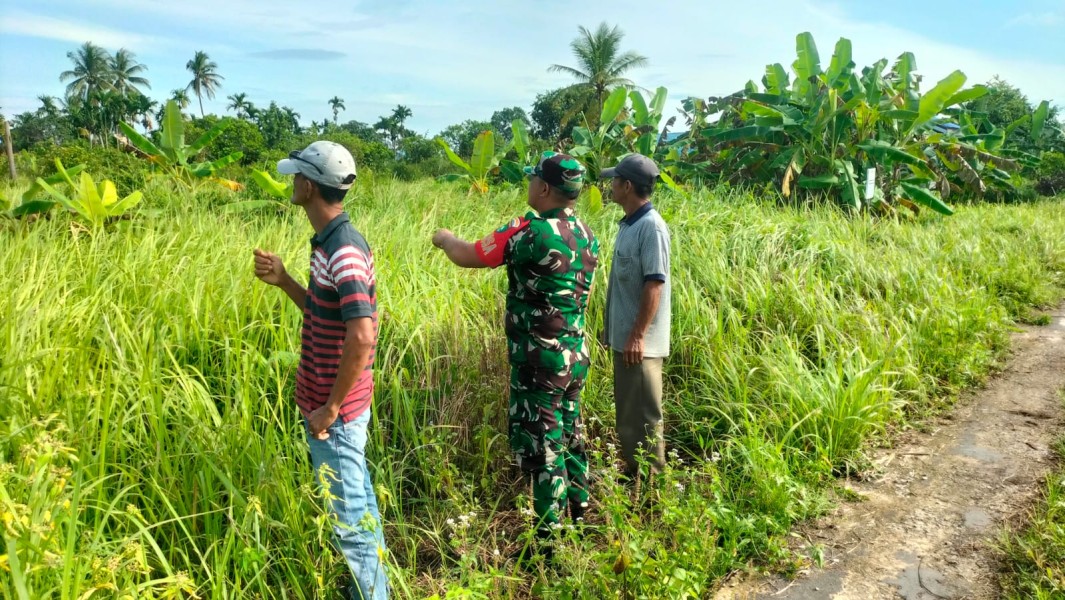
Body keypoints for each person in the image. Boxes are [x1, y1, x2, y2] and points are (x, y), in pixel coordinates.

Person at [431, 151, 599, 552]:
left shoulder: (529, 231)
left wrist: (444, 239)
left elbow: (470, 255)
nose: (529, 185)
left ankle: (548, 545)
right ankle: (582, 517)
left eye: (532, 179)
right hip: (574, 356)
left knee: (545, 448)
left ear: (544, 188)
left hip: (540, 362)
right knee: (571, 435)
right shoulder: (586, 233)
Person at [253, 141, 388, 599]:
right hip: (337, 407)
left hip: (338, 414)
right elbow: (324, 313)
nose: (292, 182)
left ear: (309, 186)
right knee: (359, 508)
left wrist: (330, 408)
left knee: (349, 523)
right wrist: (285, 280)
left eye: (296, 176)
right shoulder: (330, 242)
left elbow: (363, 335)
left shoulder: (343, 250)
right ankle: (371, 590)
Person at [600, 153, 671, 480]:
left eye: (615, 180)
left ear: (627, 186)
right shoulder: (630, 224)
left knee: (645, 416)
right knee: (629, 415)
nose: (611, 185)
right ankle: (635, 477)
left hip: (640, 345)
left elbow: (654, 284)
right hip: (628, 341)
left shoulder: (651, 227)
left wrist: (637, 335)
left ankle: (651, 490)